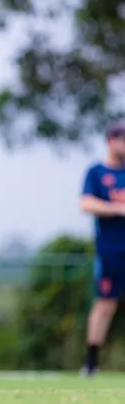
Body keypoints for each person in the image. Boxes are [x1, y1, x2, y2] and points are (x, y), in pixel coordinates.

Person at [80, 120, 125, 376]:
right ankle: (91, 363)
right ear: (112, 140)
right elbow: (85, 204)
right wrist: (117, 209)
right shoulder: (96, 172)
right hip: (110, 250)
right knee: (106, 304)